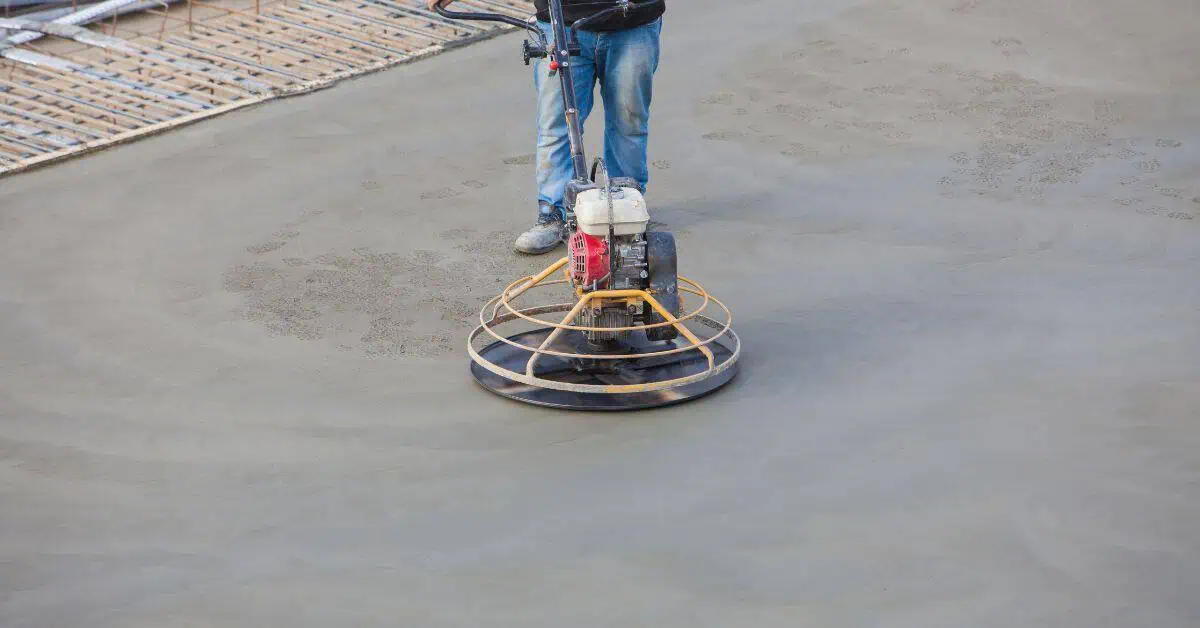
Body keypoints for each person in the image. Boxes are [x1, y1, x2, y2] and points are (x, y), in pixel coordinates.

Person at [428, 0, 665, 254]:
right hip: (559, 22)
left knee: (628, 119)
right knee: (557, 124)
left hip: (633, 18)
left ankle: (625, 210)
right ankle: (554, 214)